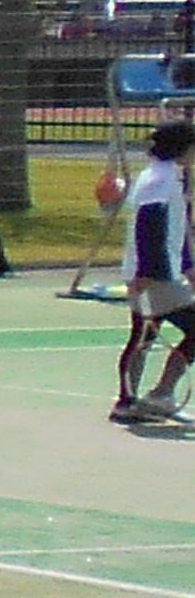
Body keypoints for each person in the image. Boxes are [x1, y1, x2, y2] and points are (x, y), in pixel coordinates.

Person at [110, 119, 190, 423]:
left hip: (157, 273)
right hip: (154, 277)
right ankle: (158, 395)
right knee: (147, 336)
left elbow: (173, 230)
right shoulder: (160, 180)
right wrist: (145, 274)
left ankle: (130, 401)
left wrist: (187, 266)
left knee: (142, 337)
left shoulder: (167, 177)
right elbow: (149, 227)